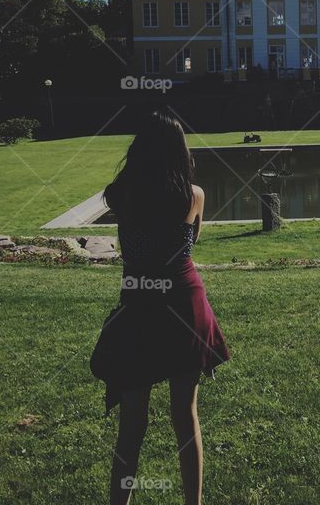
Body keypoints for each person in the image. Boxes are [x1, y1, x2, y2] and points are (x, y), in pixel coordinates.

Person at [91, 112, 229, 505]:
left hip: (139, 305)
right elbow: (191, 242)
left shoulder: (120, 193)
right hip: (184, 303)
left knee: (132, 423)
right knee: (185, 416)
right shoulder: (194, 194)